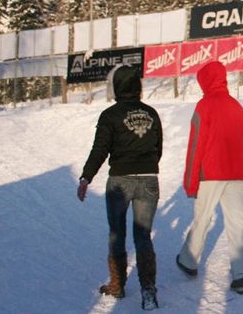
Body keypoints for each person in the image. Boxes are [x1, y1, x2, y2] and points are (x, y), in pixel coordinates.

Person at [77, 64, 162, 311]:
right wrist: (147, 166)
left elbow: (100, 149)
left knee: (117, 233)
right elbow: (158, 147)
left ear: (116, 87)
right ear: (137, 86)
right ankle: (148, 291)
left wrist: (86, 177)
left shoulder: (109, 115)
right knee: (143, 235)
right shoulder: (152, 113)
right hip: (148, 179)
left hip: (120, 181)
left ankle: (117, 285)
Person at [176, 61, 243, 294]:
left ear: (205, 81)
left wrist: (190, 182)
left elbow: (195, 145)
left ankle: (189, 261)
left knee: (203, 217)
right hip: (236, 172)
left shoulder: (204, 105)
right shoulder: (236, 106)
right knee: (237, 222)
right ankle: (241, 275)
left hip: (211, 173)